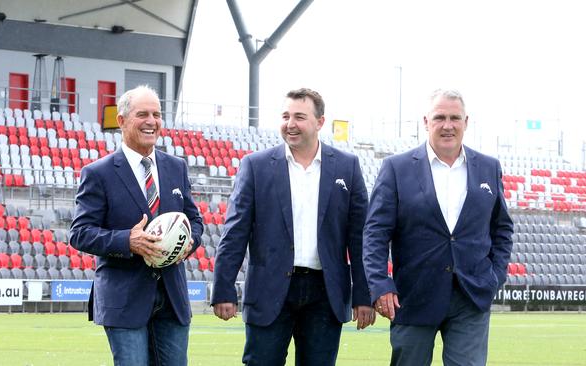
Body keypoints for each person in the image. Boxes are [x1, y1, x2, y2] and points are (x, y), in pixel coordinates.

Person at [211, 88, 375, 365]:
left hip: (325, 293)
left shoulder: (347, 166)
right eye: (285, 116)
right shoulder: (255, 165)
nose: (290, 124)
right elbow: (234, 233)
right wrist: (223, 288)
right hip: (268, 289)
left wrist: (364, 295)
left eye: (299, 116)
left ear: (320, 122)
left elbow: (359, 238)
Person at [362, 89, 513, 366]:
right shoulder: (396, 168)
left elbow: (502, 229)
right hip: (413, 295)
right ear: (426, 122)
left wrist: (495, 275)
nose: (447, 125)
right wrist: (380, 283)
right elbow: (375, 233)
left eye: (455, 118)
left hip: (471, 293)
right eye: (439, 117)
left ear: (466, 122)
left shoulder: (489, 167)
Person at [70, 85, 203, 365]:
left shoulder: (176, 167)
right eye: (142, 114)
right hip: (124, 297)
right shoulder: (98, 173)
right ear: (121, 121)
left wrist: (187, 243)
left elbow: (195, 220)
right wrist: (127, 241)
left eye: (157, 114)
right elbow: (80, 233)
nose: (152, 121)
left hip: (172, 297)